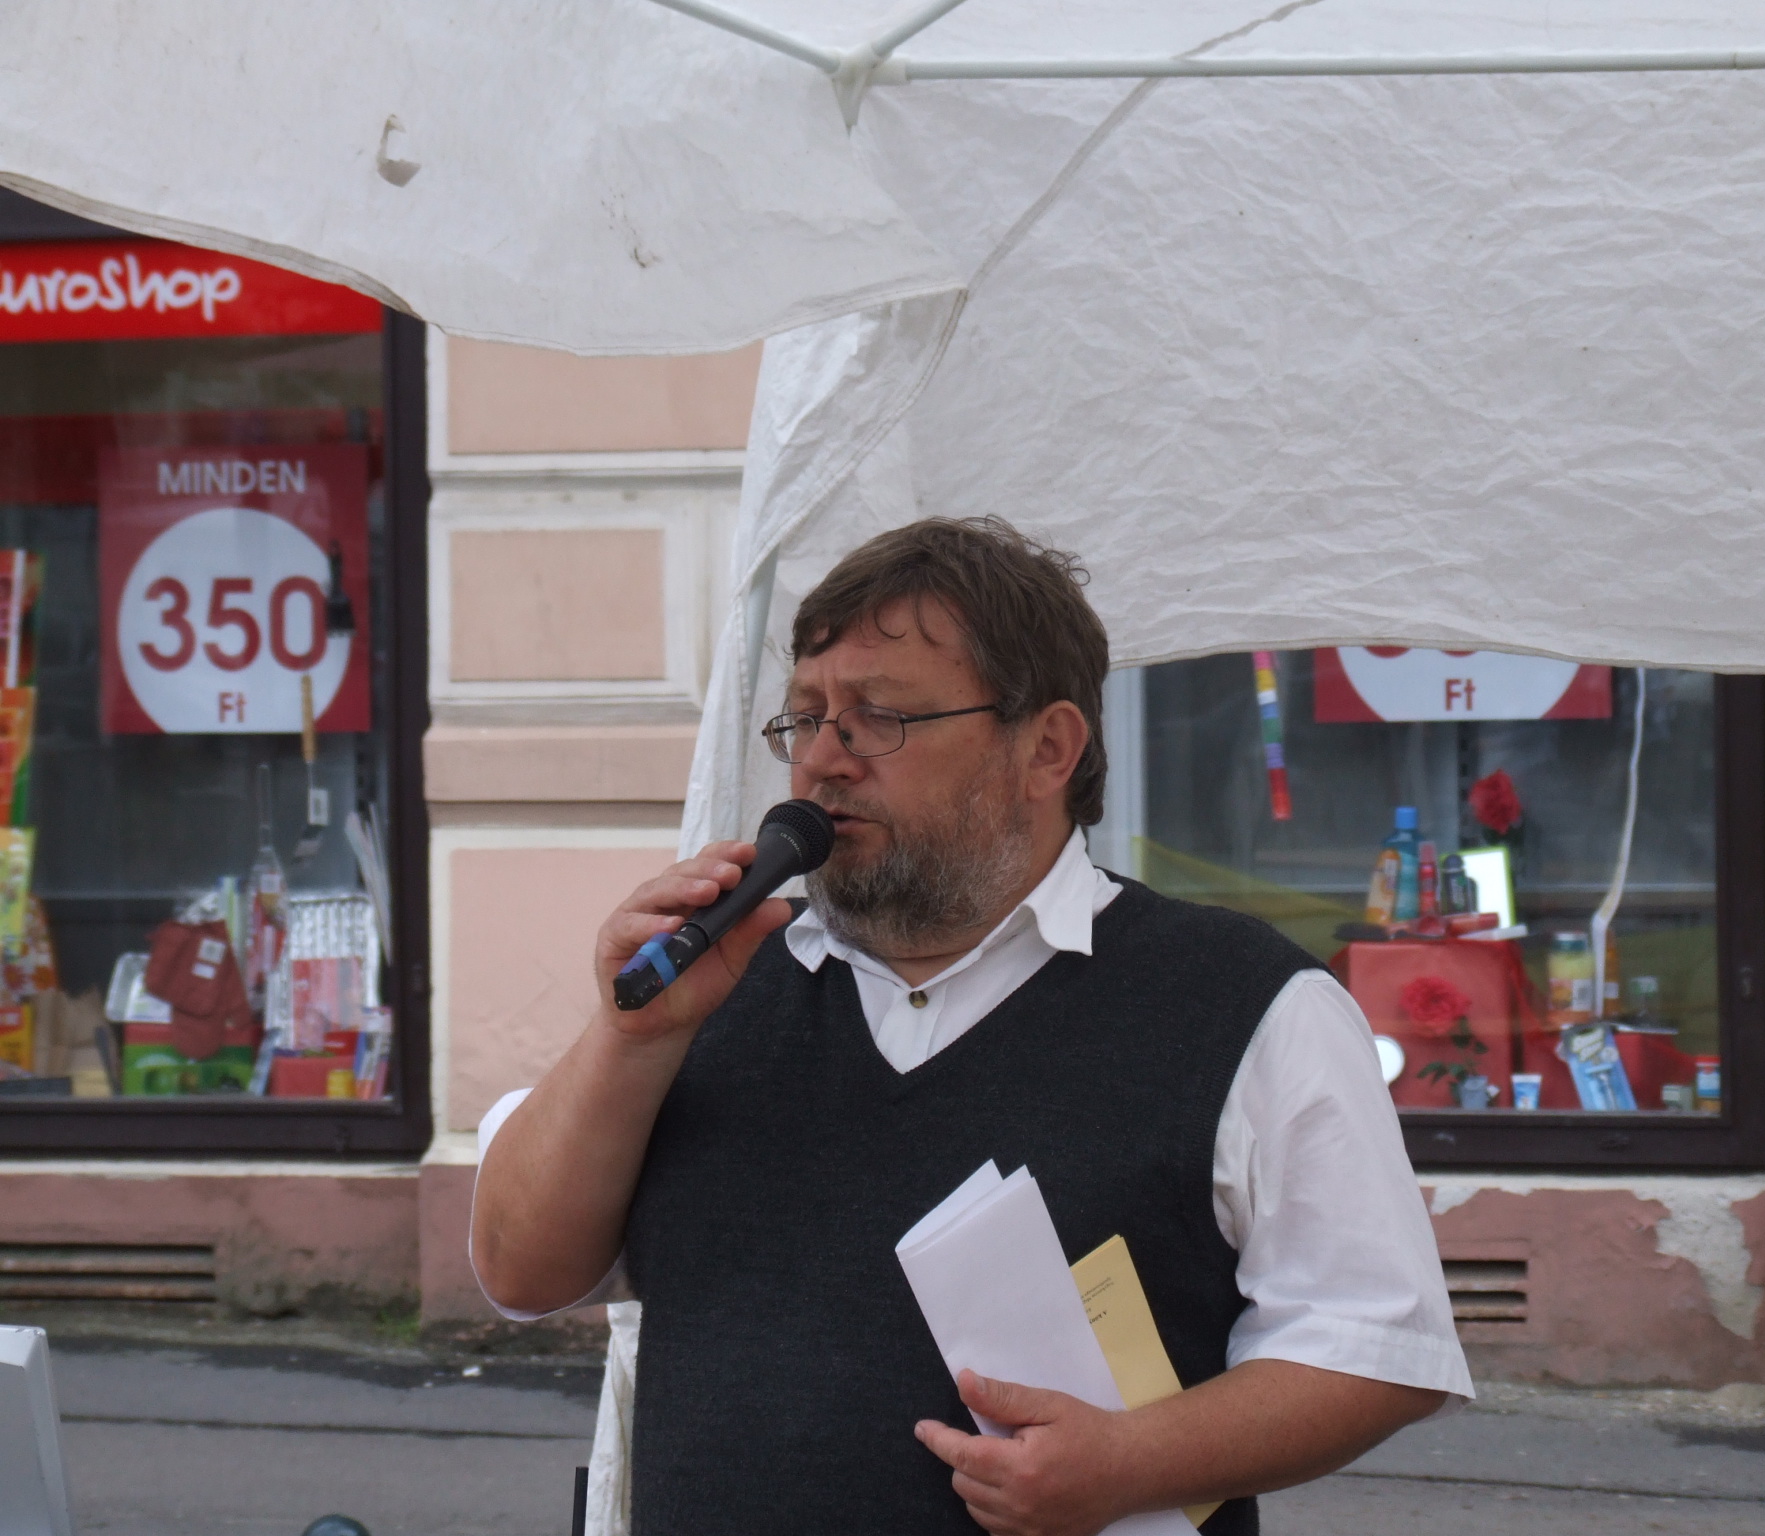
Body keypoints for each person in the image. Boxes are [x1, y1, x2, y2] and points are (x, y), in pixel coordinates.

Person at [471, 517, 1471, 1536]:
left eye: (878, 718)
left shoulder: (1242, 1001)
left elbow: (1374, 1348)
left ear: (1046, 749)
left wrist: (1130, 1462)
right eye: (805, 718)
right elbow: (517, 1273)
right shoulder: (712, 985)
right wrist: (630, 1040)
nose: (823, 761)